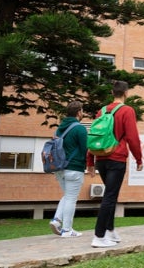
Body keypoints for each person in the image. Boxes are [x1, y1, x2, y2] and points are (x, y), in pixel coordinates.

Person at [87, 80, 144, 248]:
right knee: (110, 196)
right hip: (117, 158)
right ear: (126, 93)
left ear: (112, 93)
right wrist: (139, 159)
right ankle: (99, 236)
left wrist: (90, 161)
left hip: (101, 158)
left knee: (111, 195)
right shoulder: (127, 111)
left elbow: (94, 136)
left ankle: (110, 230)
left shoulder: (101, 111)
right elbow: (133, 138)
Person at [49, 100, 88, 238]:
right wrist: (89, 166)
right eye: (82, 111)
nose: (83, 113)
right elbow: (85, 149)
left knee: (67, 196)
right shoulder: (80, 128)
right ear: (79, 112)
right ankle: (67, 230)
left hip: (60, 169)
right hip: (74, 168)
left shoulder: (60, 128)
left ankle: (56, 220)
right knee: (71, 198)